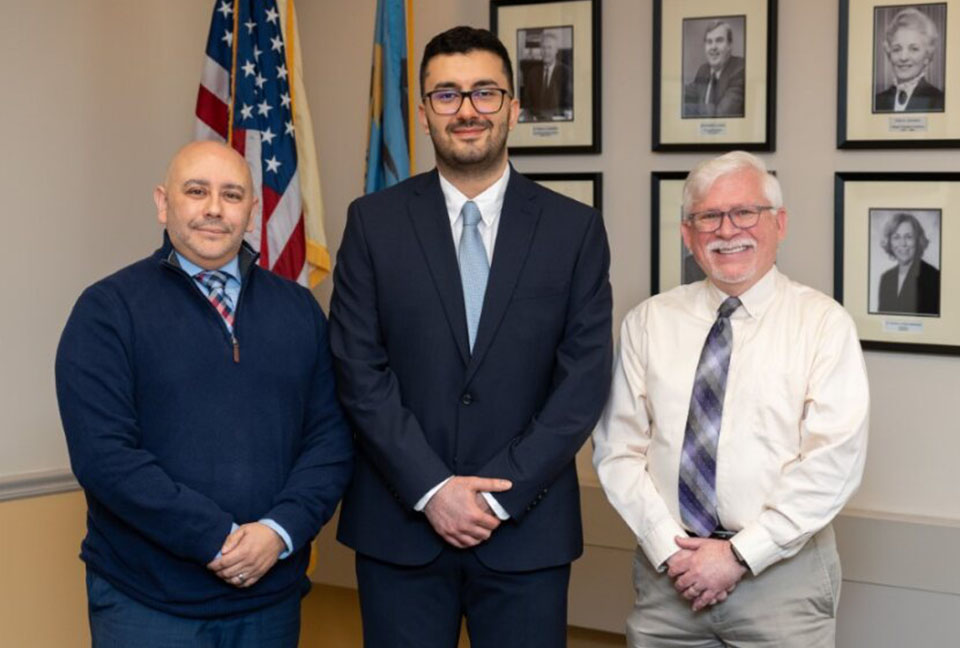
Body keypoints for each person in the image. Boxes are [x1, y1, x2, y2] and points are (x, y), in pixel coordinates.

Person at [330, 25, 612, 648]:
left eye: (485, 93)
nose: (467, 110)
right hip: (399, 530)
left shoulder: (575, 230)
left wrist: (495, 497)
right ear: (425, 113)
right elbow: (358, 369)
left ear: (514, 107)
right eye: (448, 95)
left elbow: (582, 382)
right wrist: (432, 488)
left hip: (526, 532)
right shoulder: (372, 224)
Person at [55, 141, 353, 647]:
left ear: (252, 211)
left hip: (269, 598)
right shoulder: (107, 311)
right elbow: (104, 457)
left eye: (232, 194)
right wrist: (214, 537)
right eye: (196, 191)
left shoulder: (300, 311)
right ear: (163, 203)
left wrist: (279, 531)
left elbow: (331, 437)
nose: (215, 208)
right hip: (145, 603)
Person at [593, 151, 869, 647]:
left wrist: (739, 555)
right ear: (687, 233)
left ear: (778, 223)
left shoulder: (823, 325)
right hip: (669, 578)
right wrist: (668, 549)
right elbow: (618, 449)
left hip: (782, 579)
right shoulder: (649, 323)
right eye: (708, 217)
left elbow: (834, 463)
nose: (727, 230)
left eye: (746, 212)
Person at [875, 8, 944, 112]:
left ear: (927, 56)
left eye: (914, 49)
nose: (903, 57)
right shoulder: (877, 101)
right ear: (889, 54)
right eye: (897, 49)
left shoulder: (939, 100)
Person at [877, 212, 941, 315]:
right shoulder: (886, 278)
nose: (903, 244)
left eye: (908, 237)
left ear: (918, 240)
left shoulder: (933, 277)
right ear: (889, 242)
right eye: (896, 237)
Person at [683, 21, 745, 118]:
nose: (713, 47)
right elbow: (687, 92)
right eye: (709, 42)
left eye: (719, 40)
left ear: (730, 45)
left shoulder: (740, 69)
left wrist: (687, 108)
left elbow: (720, 114)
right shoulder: (704, 70)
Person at [520, 29, 573, 121]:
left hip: (558, 122)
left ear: (556, 50)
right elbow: (527, 104)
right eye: (543, 48)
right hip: (536, 122)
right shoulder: (532, 73)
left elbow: (568, 105)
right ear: (540, 50)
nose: (546, 51)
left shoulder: (566, 72)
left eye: (549, 48)